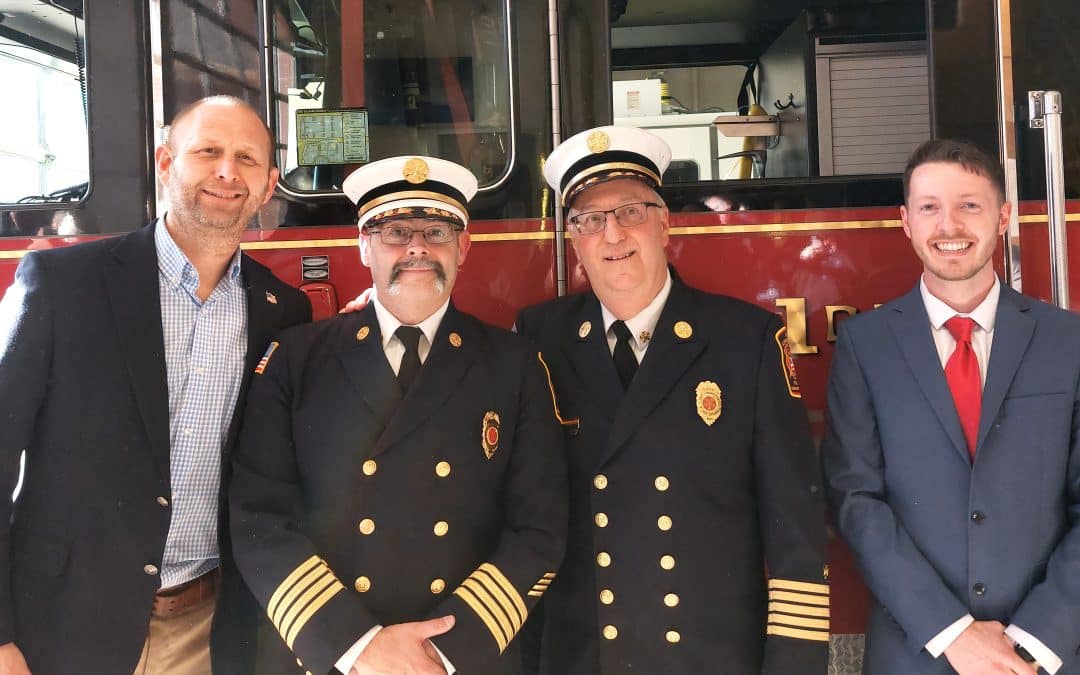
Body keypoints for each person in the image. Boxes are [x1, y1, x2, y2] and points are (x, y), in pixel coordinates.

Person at [0, 94, 311, 675]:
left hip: (206, 628)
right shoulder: (63, 285)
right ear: (166, 164)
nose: (227, 172)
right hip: (61, 622)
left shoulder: (283, 312)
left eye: (247, 158)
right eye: (208, 152)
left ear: (269, 186)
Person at [229, 155, 568, 675]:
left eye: (436, 231)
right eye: (394, 232)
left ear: (463, 247)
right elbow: (259, 518)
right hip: (330, 656)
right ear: (363, 246)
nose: (416, 247)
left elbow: (538, 530)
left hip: (459, 657)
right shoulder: (294, 360)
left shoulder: (515, 365)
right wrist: (358, 646)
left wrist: (440, 653)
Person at [514, 125, 829, 674]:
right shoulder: (540, 338)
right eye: (590, 220)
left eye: (630, 212)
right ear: (574, 240)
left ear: (665, 223)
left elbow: (794, 525)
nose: (612, 235)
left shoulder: (746, 340)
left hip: (710, 657)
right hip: (584, 657)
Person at [823, 138, 1080, 674]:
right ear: (906, 221)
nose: (950, 226)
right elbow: (856, 500)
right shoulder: (864, 346)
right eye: (929, 207)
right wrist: (953, 634)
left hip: (1046, 657)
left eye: (970, 204)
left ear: (1003, 216)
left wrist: (1034, 641)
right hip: (916, 653)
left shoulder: (1068, 342)